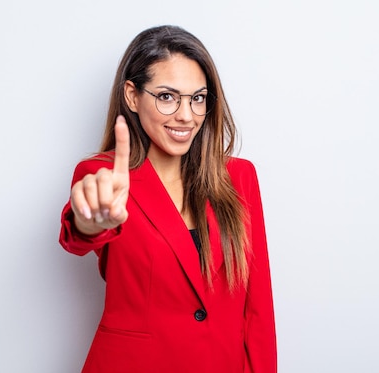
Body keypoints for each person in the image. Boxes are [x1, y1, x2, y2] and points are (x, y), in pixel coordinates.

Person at [59, 25, 277, 373]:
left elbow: (258, 308)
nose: (186, 115)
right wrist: (90, 221)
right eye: (167, 96)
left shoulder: (239, 178)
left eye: (198, 98)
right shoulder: (104, 176)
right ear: (132, 95)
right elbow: (81, 230)